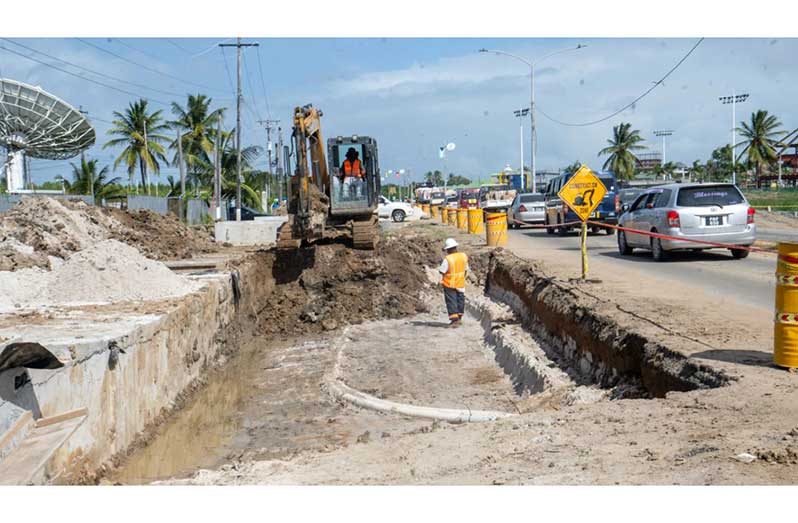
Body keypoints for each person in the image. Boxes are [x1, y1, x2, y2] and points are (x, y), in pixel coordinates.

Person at [439, 238, 469, 327]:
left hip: (449, 283)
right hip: (460, 282)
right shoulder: (463, 256)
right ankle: (459, 317)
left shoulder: (447, 259)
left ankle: (454, 320)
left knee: (451, 301)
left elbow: (442, 271)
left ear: (448, 249)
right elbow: (466, 269)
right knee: (460, 300)